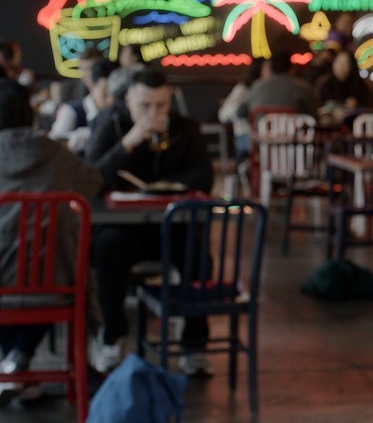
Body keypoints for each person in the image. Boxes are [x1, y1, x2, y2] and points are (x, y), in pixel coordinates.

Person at [85, 68, 215, 376]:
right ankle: (113, 337)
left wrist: (163, 186)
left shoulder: (185, 129)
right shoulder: (108, 124)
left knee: (198, 253)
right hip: (123, 227)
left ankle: (194, 345)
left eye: (161, 105)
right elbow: (90, 179)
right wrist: (128, 143)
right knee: (108, 248)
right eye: (145, 106)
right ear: (128, 100)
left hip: (171, 227)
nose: (154, 113)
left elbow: (204, 177)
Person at [0, 79, 102, 406]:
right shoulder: (55, 153)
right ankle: (19, 359)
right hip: (56, 285)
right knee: (46, 269)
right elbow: (93, 183)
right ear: (30, 115)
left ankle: (15, 363)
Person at [48, 59, 116, 154]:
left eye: (115, 95)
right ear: (91, 85)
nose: (111, 100)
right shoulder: (71, 111)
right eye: (105, 93)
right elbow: (52, 144)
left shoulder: (118, 113)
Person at [217, 57, 265, 159]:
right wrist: (243, 113)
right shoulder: (243, 89)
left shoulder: (267, 88)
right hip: (246, 135)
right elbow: (223, 114)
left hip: (265, 136)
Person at [315, 50, 370, 120]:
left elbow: (367, 106)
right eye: (339, 62)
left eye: (345, 63)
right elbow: (318, 108)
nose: (341, 66)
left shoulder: (359, 84)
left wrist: (356, 105)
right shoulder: (324, 83)